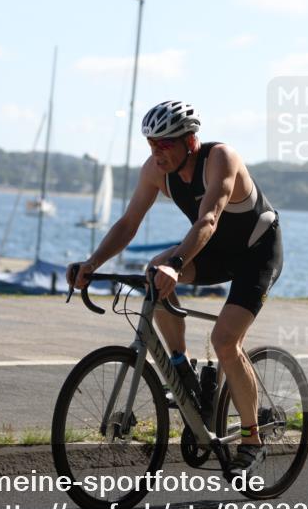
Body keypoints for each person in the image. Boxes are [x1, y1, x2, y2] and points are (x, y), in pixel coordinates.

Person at [67, 100, 282, 475]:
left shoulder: (220, 158)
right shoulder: (155, 171)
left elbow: (209, 218)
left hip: (256, 253)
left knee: (225, 341)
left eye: (165, 144)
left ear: (191, 141)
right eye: (152, 143)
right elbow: (128, 223)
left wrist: (177, 264)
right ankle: (181, 367)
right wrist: (92, 263)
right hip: (215, 251)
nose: (157, 152)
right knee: (153, 272)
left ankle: (252, 440)